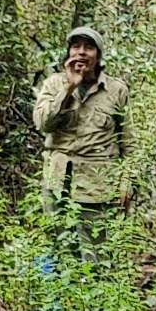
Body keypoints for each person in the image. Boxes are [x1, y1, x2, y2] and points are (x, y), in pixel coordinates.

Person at [29, 28, 131, 221]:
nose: (81, 52)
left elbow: (128, 142)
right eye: (76, 47)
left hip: (98, 190)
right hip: (56, 186)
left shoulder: (116, 90)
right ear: (68, 53)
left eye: (89, 47)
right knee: (59, 249)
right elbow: (43, 124)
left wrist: (127, 182)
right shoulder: (53, 84)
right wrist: (69, 88)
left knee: (94, 251)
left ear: (99, 55)